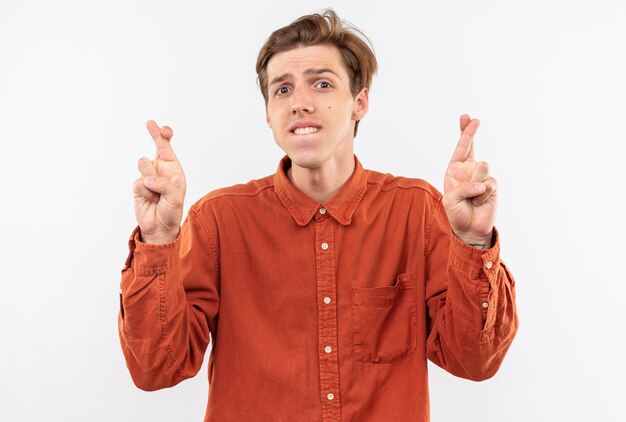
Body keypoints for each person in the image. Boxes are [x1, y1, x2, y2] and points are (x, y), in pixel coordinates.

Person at [118, 9, 518, 422]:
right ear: (268, 114)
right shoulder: (218, 220)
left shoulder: (416, 211)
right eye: (283, 90)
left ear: (359, 102)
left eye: (322, 84)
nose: (300, 104)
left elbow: (475, 361)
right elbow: (155, 369)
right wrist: (159, 239)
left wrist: (472, 242)